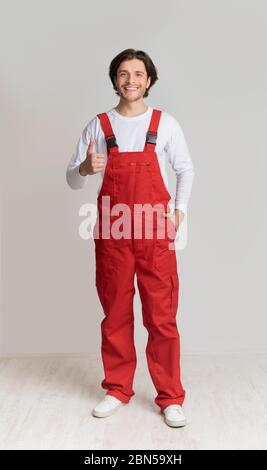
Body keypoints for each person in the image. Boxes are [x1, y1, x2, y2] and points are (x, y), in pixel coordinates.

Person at [66, 49, 194, 428]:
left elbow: (186, 169)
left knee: (161, 317)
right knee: (116, 315)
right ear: (115, 80)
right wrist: (87, 167)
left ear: (149, 80)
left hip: (155, 234)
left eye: (139, 73)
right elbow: (72, 178)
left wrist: (179, 213)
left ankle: (170, 397)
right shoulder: (99, 125)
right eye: (124, 73)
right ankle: (117, 389)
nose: (131, 80)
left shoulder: (164, 123)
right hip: (113, 235)